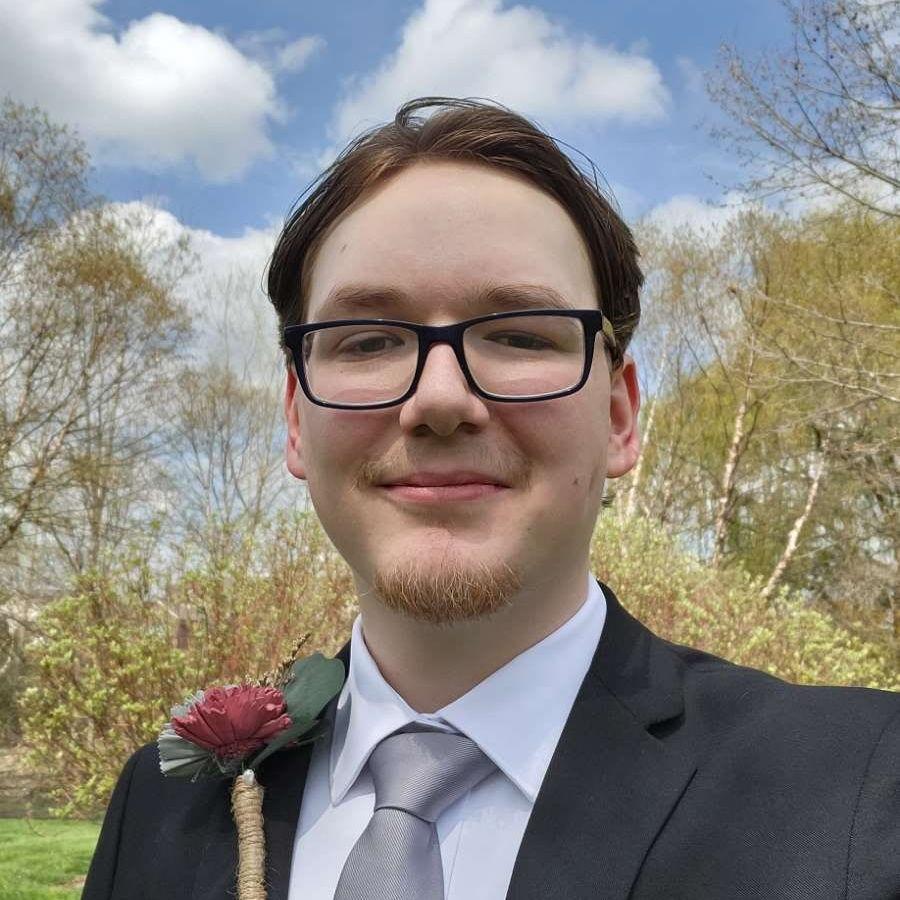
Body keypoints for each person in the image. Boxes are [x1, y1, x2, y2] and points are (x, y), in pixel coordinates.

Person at [83, 97, 898, 900]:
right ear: (297, 422)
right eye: (367, 340)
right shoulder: (163, 804)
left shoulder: (863, 789)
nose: (440, 400)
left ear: (619, 417)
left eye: (519, 335)